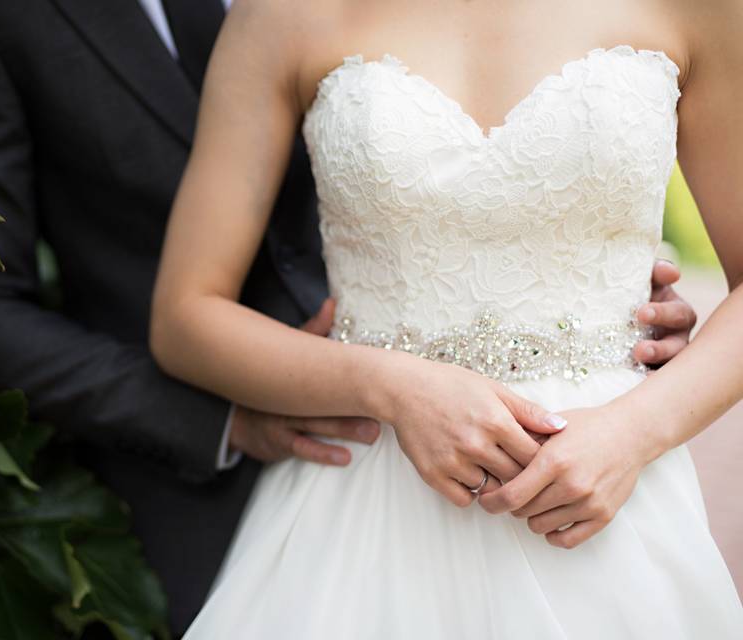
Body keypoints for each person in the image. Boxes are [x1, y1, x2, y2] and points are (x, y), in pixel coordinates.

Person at [0, 0, 698, 636]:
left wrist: (632, 400)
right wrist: (381, 383)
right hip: (333, 471)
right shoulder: (278, 17)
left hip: (604, 475)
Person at [150, 0, 743, 637]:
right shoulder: (282, 15)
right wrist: (390, 386)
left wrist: (635, 433)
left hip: (604, 491)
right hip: (363, 502)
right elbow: (186, 316)